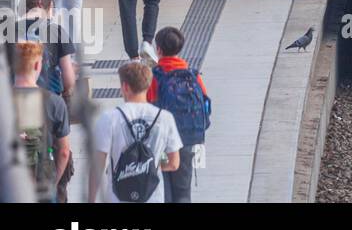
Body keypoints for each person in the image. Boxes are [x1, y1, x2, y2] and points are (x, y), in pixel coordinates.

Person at [90, 61, 182, 204]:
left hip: (117, 196)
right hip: (153, 197)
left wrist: (90, 199)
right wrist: (151, 167)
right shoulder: (165, 117)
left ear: (125, 86)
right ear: (148, 85)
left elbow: (98, 165)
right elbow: (174, 163)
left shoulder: (110, 118)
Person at [147, 26, 211, 203]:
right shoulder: (193, 75)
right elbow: (206, 105)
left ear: (158, 50)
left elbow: (148, 107)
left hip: (162, 142)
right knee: (183, 192)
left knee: (164, 189)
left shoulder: (155, 77)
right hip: (187, 139)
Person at [14, 42, 72, 203]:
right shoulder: (54, 102)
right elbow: (64, 151)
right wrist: (53, 182)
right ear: (38, 65)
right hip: (43, 182)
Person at [5, 0, 77, 98]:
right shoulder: (56, 30)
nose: (52, 15)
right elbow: (69, 81)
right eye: (52, 9)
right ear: (40, 3)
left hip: (16, 99)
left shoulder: (7, 31)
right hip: (49, 98)